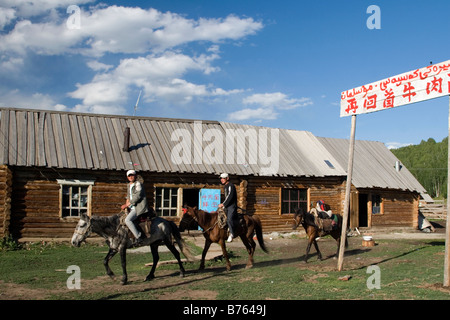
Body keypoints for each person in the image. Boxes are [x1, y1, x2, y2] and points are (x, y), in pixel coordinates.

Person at [121, 170, 149, 244]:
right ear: (127, 177)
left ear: (135, 176)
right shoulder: (129, 185)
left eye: (132, 175)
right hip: (132, 207)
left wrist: (126, 205)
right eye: (129, 176)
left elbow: (137, 196)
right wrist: (126, 206)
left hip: (139, 207)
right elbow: (128, 196)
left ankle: (138, 237)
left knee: (128, 220)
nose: (131, 177)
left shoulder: (138, 184)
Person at [218, 173, 238, 242]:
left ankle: (232, 234)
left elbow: (230, 197)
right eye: (221, 178)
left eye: (223, 178)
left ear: (227, 178)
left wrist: (223, 204)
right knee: (220, 217)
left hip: (232, 206)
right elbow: (226, 197)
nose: (222, 180)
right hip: (227, 206)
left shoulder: (231, 186)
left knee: (229, 219)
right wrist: (223, 205)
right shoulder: (225, 186)